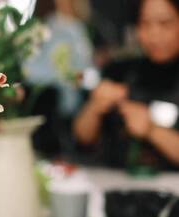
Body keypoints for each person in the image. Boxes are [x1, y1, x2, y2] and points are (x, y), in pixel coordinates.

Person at [74, 0, 179, 170]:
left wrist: (151, 130)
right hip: (116, 184)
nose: (154, 34)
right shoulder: (118, 71)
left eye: (164, 23)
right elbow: (82, 138)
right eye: (145, 23)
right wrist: (94, 108)